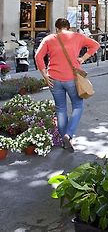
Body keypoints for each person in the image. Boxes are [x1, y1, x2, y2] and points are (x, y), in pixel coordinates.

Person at [35, 18, 100, 152]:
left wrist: (45, 75)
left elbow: (38, 56)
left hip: (53, 78)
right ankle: (68, 135)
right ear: (69, 27)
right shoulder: (78, 36)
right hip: (71, 78)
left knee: (60, 108)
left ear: (56, 28)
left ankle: (65, 141)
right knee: (78, 105)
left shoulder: (49, 39)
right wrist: (82, 58)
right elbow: (95, 45)